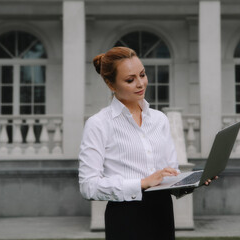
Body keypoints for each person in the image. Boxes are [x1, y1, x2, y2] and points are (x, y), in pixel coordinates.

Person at [78, 46, 215, 240]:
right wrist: (142, 183)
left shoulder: (159, 119)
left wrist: (191, 181)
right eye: (130, 80)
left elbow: (170, 173)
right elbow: (88, 186)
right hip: (126, 218)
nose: (140, 83)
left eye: (142, 74)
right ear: (111, 84)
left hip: (163, 214)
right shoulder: (99, 124)